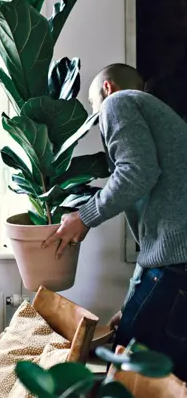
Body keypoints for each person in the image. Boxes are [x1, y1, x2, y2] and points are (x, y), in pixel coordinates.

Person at [43, 63, 187, 380]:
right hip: (174, 265)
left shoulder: (118, 102)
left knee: (125, 374)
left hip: (175, 266)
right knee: (168, 377)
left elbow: (136, 173)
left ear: (107, 88)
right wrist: (134, 299)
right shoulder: (160, 117)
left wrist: (84, 217)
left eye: (95, 112)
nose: (99, 120)